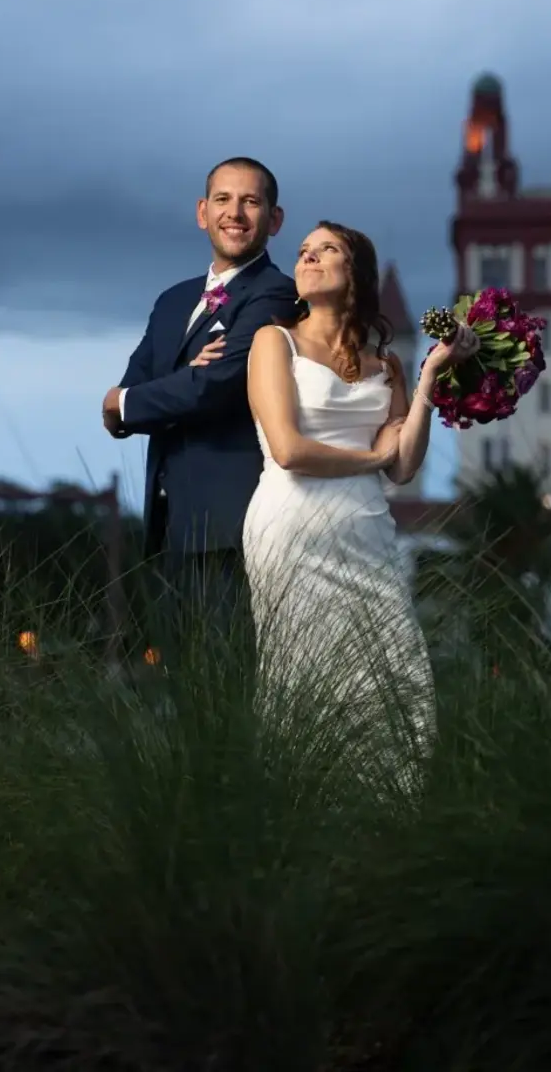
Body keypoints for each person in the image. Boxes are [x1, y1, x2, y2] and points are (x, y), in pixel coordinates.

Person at [190, 220, 479, 781]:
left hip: (365, 531)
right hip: (290, 526)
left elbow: (403, 464)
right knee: (303, 672)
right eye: (303, 251)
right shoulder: (275, 342)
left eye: (327, 250)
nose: (309, 257)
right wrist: (369, 460)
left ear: (355, 273)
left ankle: (388, 818)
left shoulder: (386, 364)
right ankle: (303, 811)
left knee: (398, 671)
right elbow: (289, 448)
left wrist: (427, 382)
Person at [101, 157, 298, 625]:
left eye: (251, 201)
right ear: (202, 212)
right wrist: (148, 394)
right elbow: (134, 392)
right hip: (168, 528)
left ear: (274, 219)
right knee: (180, 685)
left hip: (232, 527)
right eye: (223, 200)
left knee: (232, 684)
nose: (235, 212)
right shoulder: (172, 301)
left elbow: (215, 386)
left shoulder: (277, 294)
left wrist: (124, 404)